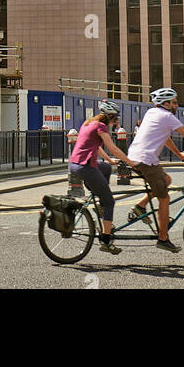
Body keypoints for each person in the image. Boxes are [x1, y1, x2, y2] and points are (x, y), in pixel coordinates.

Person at [127, 88, 184, 253]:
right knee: (164, 199)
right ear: (166, 104)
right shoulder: (167, 117)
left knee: (166, 180)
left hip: (135, 157)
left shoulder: (151, 113)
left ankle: (141, 206)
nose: (176, 105)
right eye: (174, 102)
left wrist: (179, 154)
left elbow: (164, 137)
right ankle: (163, 239)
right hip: (146, 161)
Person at [68, 101, 134, 255]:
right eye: (115, 117)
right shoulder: (101, 126)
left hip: (76, 164)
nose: (116, 120)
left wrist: (110, 161)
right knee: (110, 201)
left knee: (105, 167)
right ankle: (105, 240)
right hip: (85, 166)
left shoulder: (89, 123)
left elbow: (96, 146)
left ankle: (100, 200)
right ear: (109, 116)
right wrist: (131, 163)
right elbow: (112, 147)